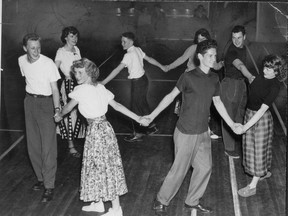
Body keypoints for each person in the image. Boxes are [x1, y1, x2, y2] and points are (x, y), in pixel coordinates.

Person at [144, 40, 240, 214]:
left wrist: (232, 124)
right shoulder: (188, 76)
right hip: (186, 132)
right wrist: (152, 115)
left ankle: (192, 200)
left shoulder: (214, 78)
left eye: (215, 55)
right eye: (210, 55)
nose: (213, 59)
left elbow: (217, 102)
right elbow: (170, 96)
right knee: (179, 169)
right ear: (200, 57)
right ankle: (161, 199)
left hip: (203, 132)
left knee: (205, 167)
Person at [54, 58, 149, 216]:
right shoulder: (100, 87)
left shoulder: (80, 90)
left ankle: (116, 209)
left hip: (97, 132)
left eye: (80, 72)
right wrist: (138, 118)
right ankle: (98, 203)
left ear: (89, 73)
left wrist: (58, 116)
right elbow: (117, 106)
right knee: (98, 166)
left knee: (105, 168)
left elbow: (67, 109)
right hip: (105, 129)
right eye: (75, 72)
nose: (76, 75)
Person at [101, 32, 166, 142]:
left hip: (138, 83)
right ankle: (152, 127)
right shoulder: (137, 49)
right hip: (144, 80)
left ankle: (138, 134)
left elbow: (117, 69)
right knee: (142, 103)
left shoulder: (128, 55)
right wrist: (162, 66)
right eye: (121, 41)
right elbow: (149, 59)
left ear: (131, 41)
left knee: (135, 108)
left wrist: (103, 82)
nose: (122, 44)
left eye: (124, 41)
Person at [18, 33, 61, 202]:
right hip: (29, 102)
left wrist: (57, 110)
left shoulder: (48, 64)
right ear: (25, 48)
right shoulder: (21, 61)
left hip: (46, 104)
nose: (36, 51)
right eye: (32, 48)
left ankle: (49, 185)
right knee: (33, 146)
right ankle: (41, 178)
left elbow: (55, 89)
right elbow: (28, 79)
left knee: (48, 147)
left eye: (38, 48)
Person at [236, 55, 282, 197]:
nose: (266, 70)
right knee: (251, 147)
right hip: (250, 114)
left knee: (259, 150)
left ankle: (252, 186)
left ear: (276, 72)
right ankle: (263, 172)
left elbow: (262, 110)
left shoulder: (275, 86)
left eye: (270, 69)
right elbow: (250, 82)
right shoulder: (257, 78)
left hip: (261, 118)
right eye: (265, 67)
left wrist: (245, 127)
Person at [165, 28, 224, 139]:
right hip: (190, 82)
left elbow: (215, 66)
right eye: (199, 39)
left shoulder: (209, 52)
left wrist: (222, 63)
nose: (201, 41)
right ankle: (185, 133)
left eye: (203, 38)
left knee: (204, 108)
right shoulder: (193, 48)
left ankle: (206, 130)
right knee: (189, 109)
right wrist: (168, 67)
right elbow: (181, 59)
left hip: (203, 82)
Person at [220, 25, 255, 158]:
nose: (236, 41)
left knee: (239, 115)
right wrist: (250, 76)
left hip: (240, 85)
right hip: (231, 85)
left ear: (244, 37)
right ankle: (229, 148)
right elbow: (240, 65)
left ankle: (236, 143)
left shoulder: (244, 48)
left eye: (239, 37)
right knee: (229, 115)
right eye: (234, 38)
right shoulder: (232, 51)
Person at [55, 26, 85, 158]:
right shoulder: (60, 52)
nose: (75, 39)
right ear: (65, 37)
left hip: (80, 83)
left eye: (76, 36)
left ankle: (84, 141)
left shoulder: (77, 49)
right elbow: (53, 70)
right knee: (69, 113)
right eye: (72, 36)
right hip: (68, 85)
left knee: (81, 112)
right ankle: (71, 146)